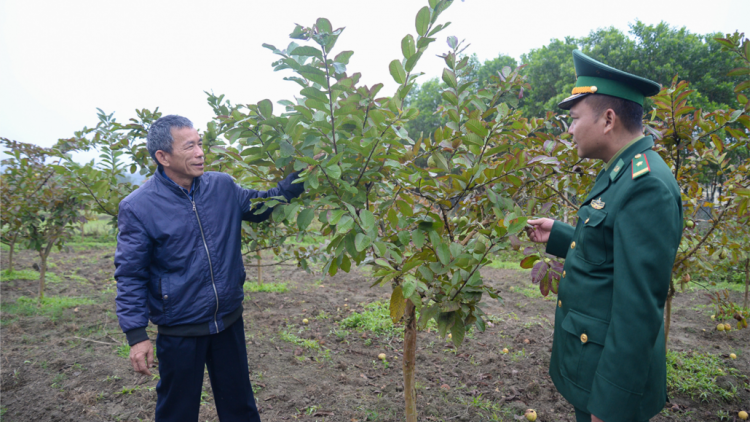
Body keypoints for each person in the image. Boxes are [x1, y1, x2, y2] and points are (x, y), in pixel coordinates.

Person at [114, 115, 310, 422]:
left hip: (228, 321)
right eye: (189, 146)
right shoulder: (138, 207)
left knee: (240, 408)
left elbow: (262, 205)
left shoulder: (222, 186)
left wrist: (303, 177)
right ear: (162, 157)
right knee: (176, 412)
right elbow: (130, 274)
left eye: (200, 144)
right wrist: (136, 334)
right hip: (180, 328)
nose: (200, 152)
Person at [526, 51, 683, 422]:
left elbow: (638, 311)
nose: (570, 129)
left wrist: (610, 406)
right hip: (591, 364)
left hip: (608, 386)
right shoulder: (622, 170)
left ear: (608, 119)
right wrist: (560, 235)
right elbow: (612, 248)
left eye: (575, 119)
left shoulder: (647, 186)